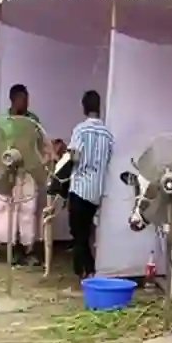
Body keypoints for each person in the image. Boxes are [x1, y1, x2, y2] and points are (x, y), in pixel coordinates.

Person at [0, 84, 42, 265]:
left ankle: (28, 249)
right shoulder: (2, 120)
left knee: (27, 210)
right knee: (6, 209)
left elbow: (39, 145)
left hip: (27, 172)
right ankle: (9, 248)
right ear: (13, 100)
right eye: (22, 99)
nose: (25, 103)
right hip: (6, 170)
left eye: (27, 99)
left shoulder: (33, 120)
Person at [66, 90, 114, 279]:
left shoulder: (80, 130)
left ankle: (83, 272)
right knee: (86, 233)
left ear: (84, 107)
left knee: (78, 234)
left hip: (80, 187)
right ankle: (90, 270)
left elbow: (75, 156)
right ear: (99, 107)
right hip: (96, 191)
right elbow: (108, 160)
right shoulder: (108, 134)